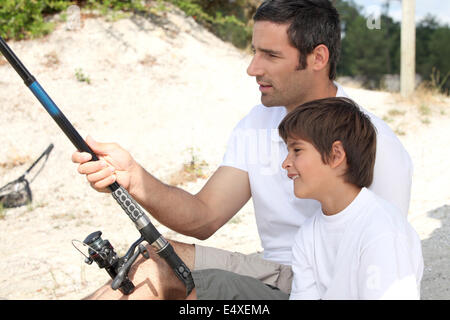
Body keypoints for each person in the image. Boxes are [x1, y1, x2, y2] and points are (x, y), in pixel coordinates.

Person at [72, 0, 413, 300]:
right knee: (153, 259)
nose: (253, 68)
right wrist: (133, 178)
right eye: (255, 51)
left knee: (163, 280)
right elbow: (203, 217)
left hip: (328, 287)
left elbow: (384, 255)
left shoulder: (376, 143)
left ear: (318, 57)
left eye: (271, 55)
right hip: (277, 273)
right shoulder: (257, 123)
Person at [186, 97, 423, 300]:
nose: (285, 163)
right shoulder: (310, 233)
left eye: (297, 150)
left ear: (336, 155)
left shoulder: (381, 230)